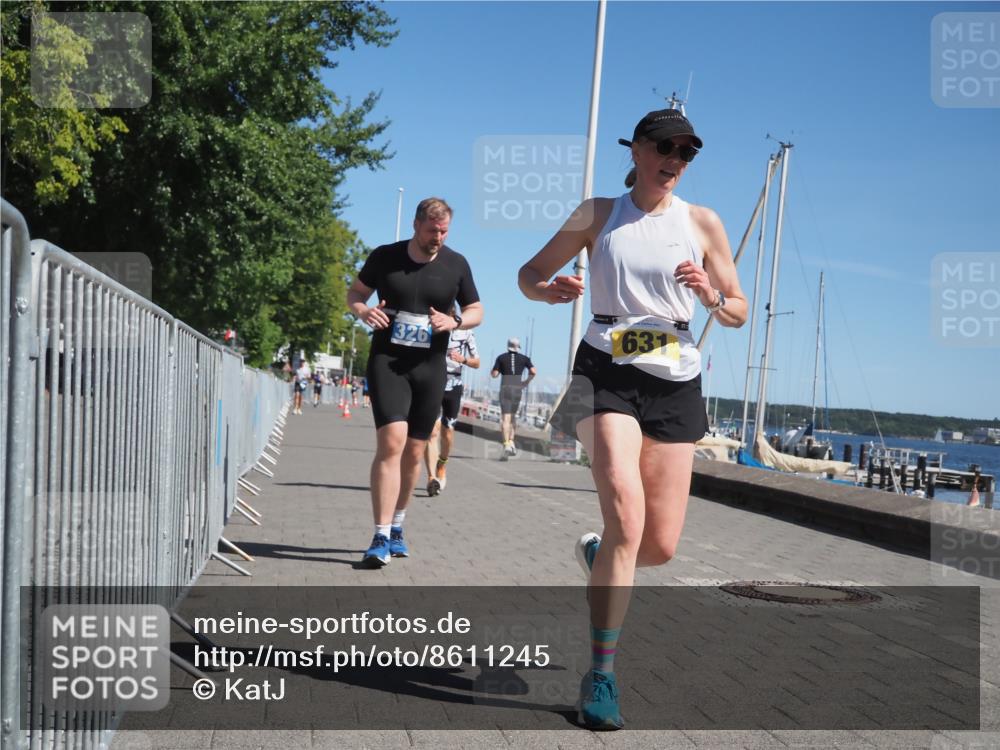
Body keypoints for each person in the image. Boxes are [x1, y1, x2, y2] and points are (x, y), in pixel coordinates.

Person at [517, 109, 747, 729]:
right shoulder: (597, 214)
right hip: (606, 368)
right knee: (625, 509)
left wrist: (711, 297)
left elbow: (739, 310)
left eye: (687, 152)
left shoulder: (703, 222)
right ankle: (601, 676)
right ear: (639, 150)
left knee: (660, 546)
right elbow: (528, 275)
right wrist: (549, 290)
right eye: (666, 148)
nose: (676, 160)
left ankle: (602, 557)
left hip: (676, 375)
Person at [347, 197, 483, 567]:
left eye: (443, 231)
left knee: (413, 451)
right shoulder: (385, 256)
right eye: (431, 230)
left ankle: (398, 526)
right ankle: (379, 532)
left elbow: (476, 310)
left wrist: (455, 323)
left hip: (430, 367)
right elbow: (356, 293)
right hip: (388, 361)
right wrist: (363, 310)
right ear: (415, 225)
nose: (437, 237)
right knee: (391, 442)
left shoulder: (456, 264)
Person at [425, 310, 480, 496]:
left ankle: (442, 464)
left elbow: (477, 362)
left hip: (454, 385)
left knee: (447, 432)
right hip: (433, 381)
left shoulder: (466, 332)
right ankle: (431, 477)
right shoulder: (431, 326)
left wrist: (463, 359)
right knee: (432, 431)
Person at [490, 338, 535, 459]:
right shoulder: (524, 358)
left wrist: (495, 370)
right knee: (513, 417)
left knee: (505, 418)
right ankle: (511, 441)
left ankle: (506, 445)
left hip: (505, 388)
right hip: (517, 389)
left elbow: (494, 375)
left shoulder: (501, 357)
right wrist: (526, 381)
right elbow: (533, 371)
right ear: (518, 347)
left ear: (508, 346)